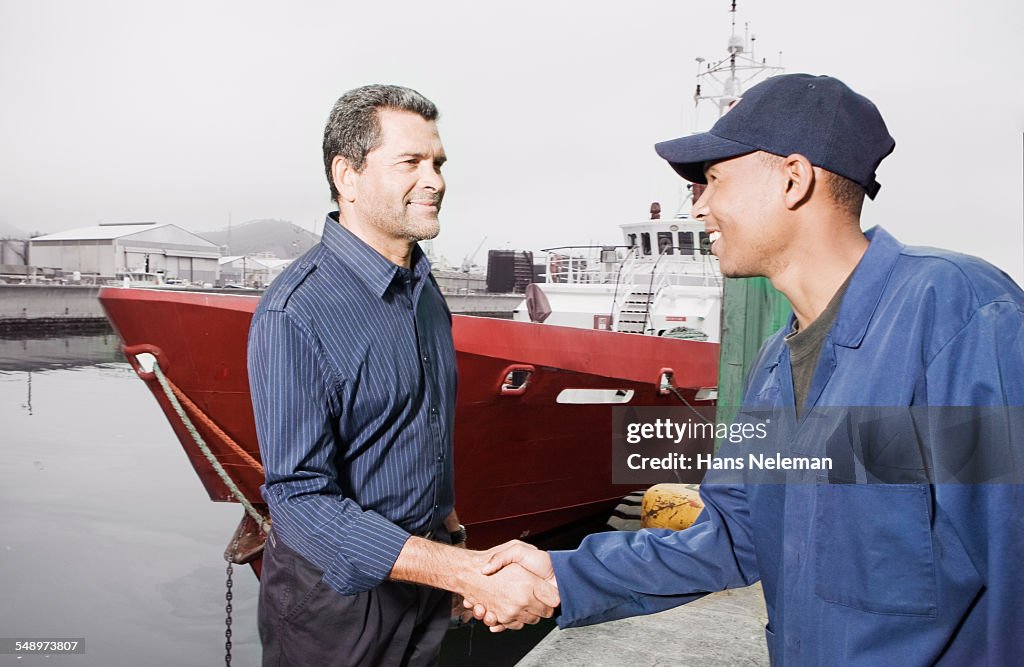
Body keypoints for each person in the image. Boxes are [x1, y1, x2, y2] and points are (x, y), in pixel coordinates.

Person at [476, 73, 1024, 664]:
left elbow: (1011, 553)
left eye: (712, 180)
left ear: (794, 179)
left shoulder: (956, 314)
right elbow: (732, 535)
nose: (700, 208)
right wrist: (559, 575)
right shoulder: (773, 364)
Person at [247, 84, 558, 667]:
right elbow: (299, 498)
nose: (435, 180)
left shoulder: (422, 288)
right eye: (411, 162)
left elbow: (422, 430)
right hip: (336, 607)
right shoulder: (296, 311)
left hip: (423, 580)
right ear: (348, 175)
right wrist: (465, 571)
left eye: (438, 163)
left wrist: (453, 545)